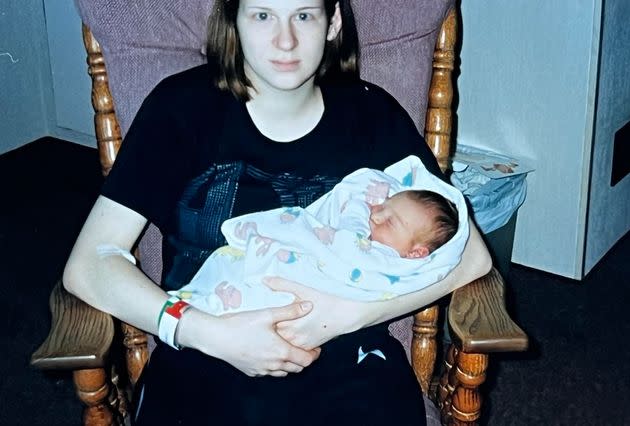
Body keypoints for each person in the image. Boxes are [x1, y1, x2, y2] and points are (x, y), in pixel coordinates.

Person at [63, 0, 492, 424]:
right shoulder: (180, 108)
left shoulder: (371, 114)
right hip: (207, 348)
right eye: (263, 15)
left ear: (333, 21)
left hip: (348, 358)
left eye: (303, 15)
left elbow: (472, 256)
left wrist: (346, 315)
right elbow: (89, 265)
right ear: (235, 19)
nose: (285, 41)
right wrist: (207, 333)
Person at [173, 155, 469, 315]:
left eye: (391, 222)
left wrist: (356, 208)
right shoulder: (382, 233)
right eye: (381, 206)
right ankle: (200, 305)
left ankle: (209, 304)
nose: (375, 214)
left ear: (415, 253)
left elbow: (347, 247)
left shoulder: (389, 264)